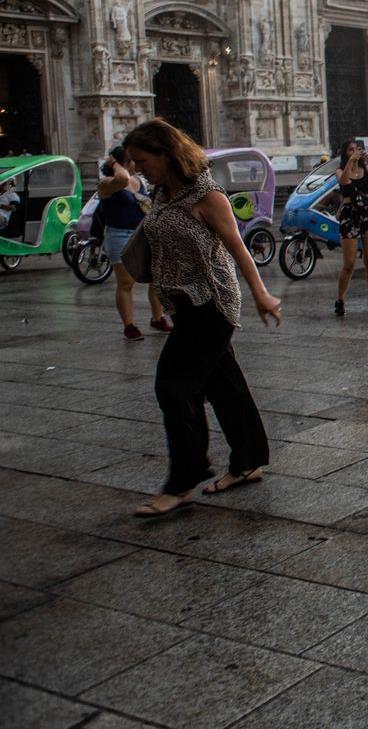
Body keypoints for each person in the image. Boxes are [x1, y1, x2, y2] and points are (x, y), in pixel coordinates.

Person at [121, 119, 281, 518]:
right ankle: (248, 462)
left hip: (212, 303)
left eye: (143, 161)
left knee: (173, 388)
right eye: (135, 163)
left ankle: (182, 482)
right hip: (181, 303)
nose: (140, 169)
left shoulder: (207, 195)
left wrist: (260, 293)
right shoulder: (161, 193)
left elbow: (238, 249)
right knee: (224, 385)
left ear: (166, 154)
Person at [96, 146, 170, 340]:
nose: (137, 163)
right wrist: (113, 162)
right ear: (123, 163)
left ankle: (158, 317)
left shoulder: (139, 181)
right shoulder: (106, 183)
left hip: (143, 234)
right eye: (133, 160)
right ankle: (129, 325)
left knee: (156, 278)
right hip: (119, 235)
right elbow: (122, 180)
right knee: (126, 282)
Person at [333, 139, 368, 315]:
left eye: (357, 149)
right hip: (350, 216)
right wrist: (351, 161)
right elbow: (343, 181)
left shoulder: (366, 169)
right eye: (350, 150)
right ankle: (340, 299)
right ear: (345, 153)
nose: (354, 152)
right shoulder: (341, 169)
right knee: (349, 263)